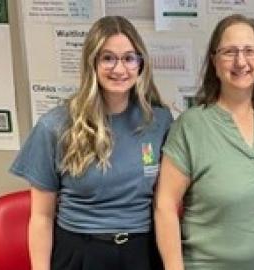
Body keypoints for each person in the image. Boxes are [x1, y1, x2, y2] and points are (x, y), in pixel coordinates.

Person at [10, 16, 172, 270]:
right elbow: (41, 217)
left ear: (141, 64)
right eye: (108, 58)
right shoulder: (55, 126)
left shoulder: (159, 121)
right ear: (92, 63)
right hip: (80, 252)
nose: (119, 69)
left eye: (129, 58)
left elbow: (167, 202)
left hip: (141, 251)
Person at [154, 14, 254, 270]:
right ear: (214, 61)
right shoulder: (191, 125)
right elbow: (165, 205)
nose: (241, 61)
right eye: (229, 52)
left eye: (250, 51)